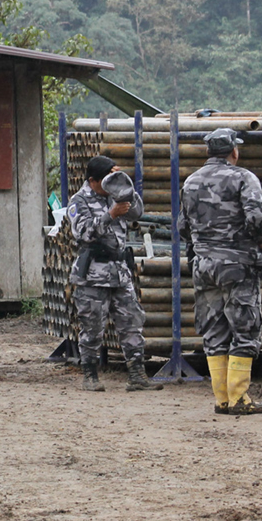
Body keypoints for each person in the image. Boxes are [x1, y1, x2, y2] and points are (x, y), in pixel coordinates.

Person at [180, 128, 262, 415]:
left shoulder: (191, 181)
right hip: (238, 264)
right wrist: (259, 241)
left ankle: (221, 397)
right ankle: (239, 397)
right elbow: (257, 219)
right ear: (233, 151)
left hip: (203, 265)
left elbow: (183, 227)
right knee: (245, 327)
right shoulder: (243, 177)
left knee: (214, 329)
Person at [67, 156, 159, 393]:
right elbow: (84, 232)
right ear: (92, 181)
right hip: (93, 273)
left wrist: (124, 187)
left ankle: (137, 375)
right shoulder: (79, 201)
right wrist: (112, 214)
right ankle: (90, 375)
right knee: (92, 325)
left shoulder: (116, 194)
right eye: (105, 180)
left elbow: (137, 213)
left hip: (119, 271)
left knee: (132, 322)